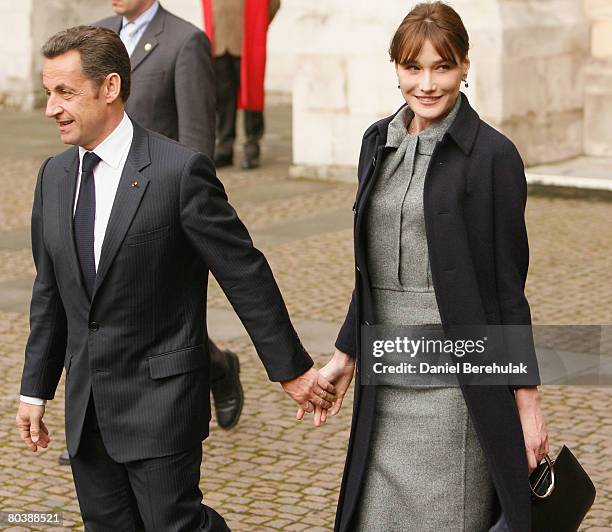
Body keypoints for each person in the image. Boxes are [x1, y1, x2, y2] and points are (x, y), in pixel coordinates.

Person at [16, 25, 335, 531]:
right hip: (88, 409)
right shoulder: (53, 177)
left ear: (111, 87)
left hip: (160, 403)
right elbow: (50, 291)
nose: (51, 108)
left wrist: (291, 370)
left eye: (65, 92)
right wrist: (35, 390)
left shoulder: (178, 172)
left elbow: (243, 272)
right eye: (48, 92)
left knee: (175, 524)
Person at [305, 3, 549, 531]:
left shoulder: (493, 156)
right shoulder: (377, 143)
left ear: (465, 66)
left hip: (455, 393)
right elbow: (368, 273)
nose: (428, 83)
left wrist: (527, 407)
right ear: (395, 68)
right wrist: (345, 358)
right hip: (386, 382)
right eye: (413, 67)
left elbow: (509, 290)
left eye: (443, 67)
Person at [96, 0, 244, 434]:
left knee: (156, 309)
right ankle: (98, 422)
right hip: (103, 194)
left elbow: (197, 138)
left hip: (157, 199)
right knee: (102, 306)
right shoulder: (99, 34)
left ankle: (216, 367)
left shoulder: (185, 41)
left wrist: (187, 210)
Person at [206, 0, 281, 169]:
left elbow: (274, 4)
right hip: (220, 42)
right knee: (223, 98)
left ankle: (252, 146)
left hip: (246, 41)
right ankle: (225, 147)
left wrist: (258, 23)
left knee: (251, 96)